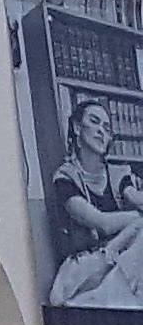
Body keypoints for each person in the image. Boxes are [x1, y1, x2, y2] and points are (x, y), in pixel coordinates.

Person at [48, 92, 143, 309]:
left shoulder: (119, 173)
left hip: (119, 259)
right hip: (85, 266)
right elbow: (101, 222)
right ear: (77, 128)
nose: (101, 131)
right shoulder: (65, 178)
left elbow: (134, 196)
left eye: (107, 129)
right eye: (94, 122)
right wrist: (136, 219)